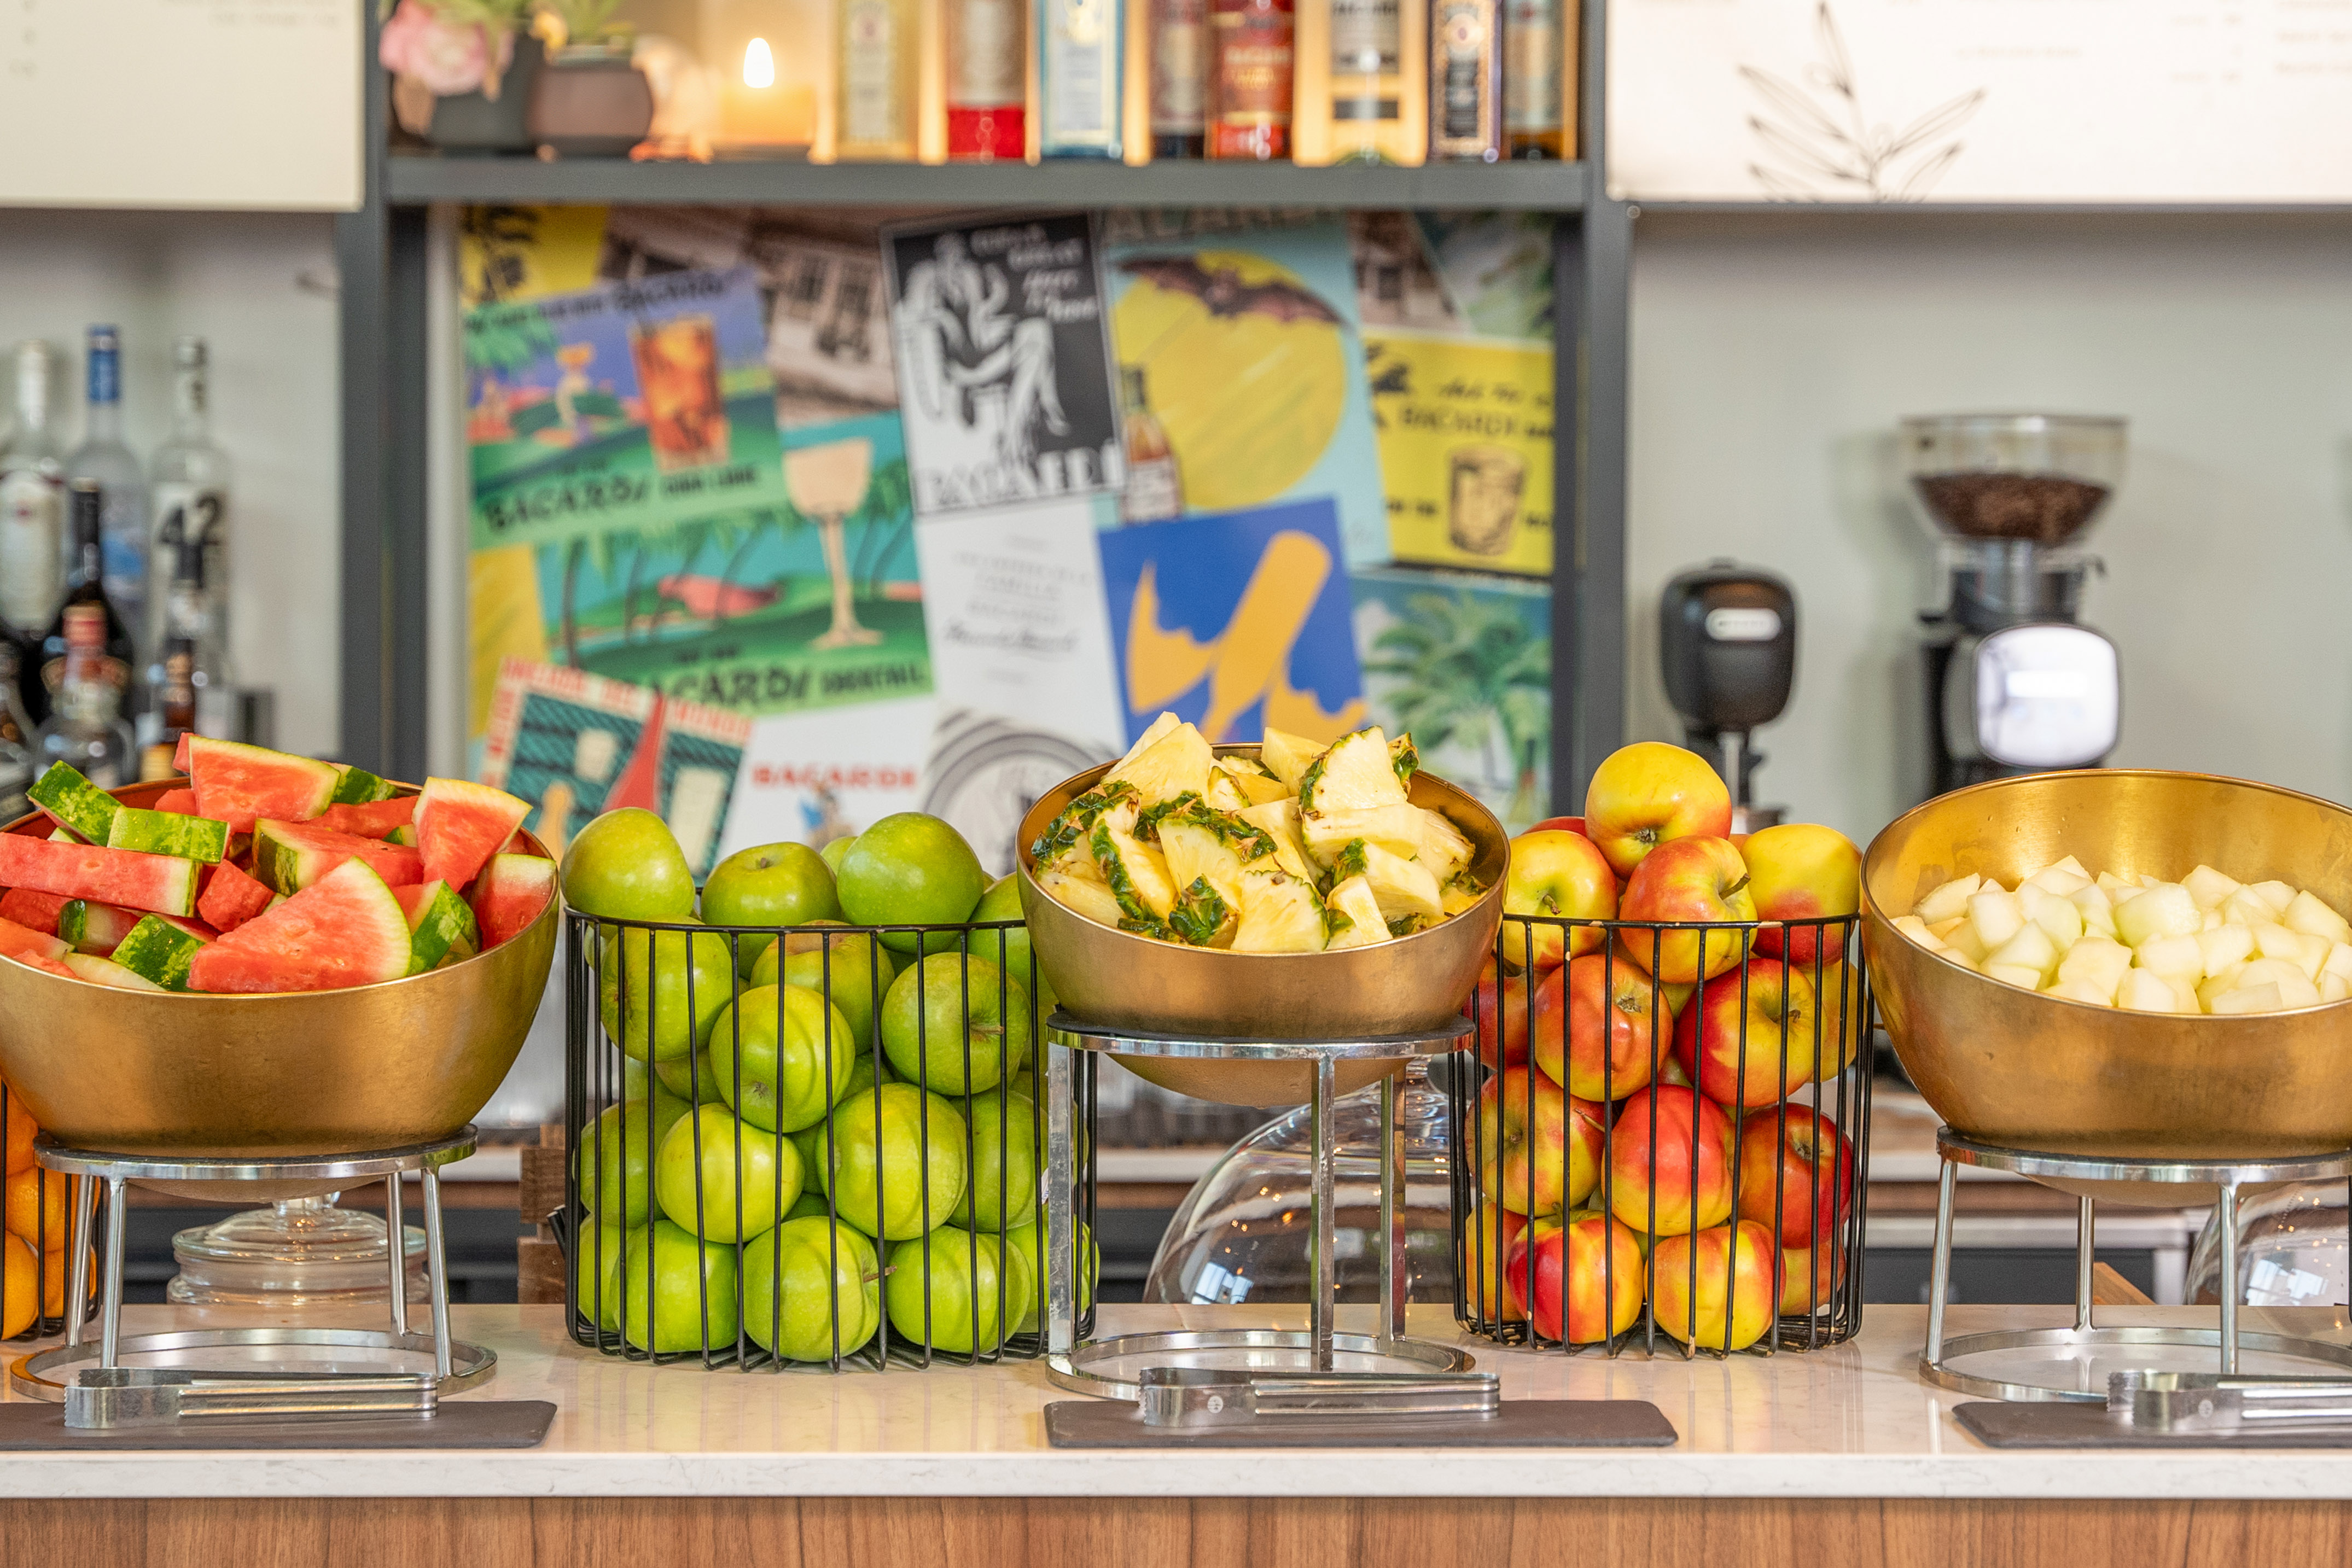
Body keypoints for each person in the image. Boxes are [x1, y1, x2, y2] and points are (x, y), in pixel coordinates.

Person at [897, 232, 1068, 475]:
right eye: (950, 255)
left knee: (1037, 340)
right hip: (961, 367)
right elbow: (913, 316)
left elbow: (978, 321)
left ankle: (1016, 435)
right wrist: (945, 319)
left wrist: (996, 299)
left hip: (978, 355)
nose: (955, 260)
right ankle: (1045, 411)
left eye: (959, 255)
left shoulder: (968, 278)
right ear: (940, 255)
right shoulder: (928, 281)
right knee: (1037, 343)